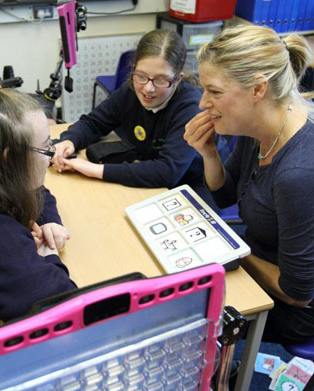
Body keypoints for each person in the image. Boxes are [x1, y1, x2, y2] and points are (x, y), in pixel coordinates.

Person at [184, 24, 314, 345]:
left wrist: (231, 253)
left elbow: (298, 294)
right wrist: (209, 152)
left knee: (183, 317)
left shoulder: (297, 173)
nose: (203, 103)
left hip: (295, 307)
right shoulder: (259, 126)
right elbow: (227, 194)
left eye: (214, 92)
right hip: (258, 257)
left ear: (258, 89)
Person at [0, 83, 77, 348]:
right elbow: (62, 308)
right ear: (9, 159)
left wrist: (49, 220)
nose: (52, 155)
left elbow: (38, 189)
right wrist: (48, 256)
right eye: (45, 149)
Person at [52, 29, 229, 205]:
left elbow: (167, 172)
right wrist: (69, 141)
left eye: (160, 80)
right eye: (141, 76)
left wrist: (94, 170)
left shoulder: (190, 107)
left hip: (195, 182)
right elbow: (93, 123)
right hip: (150, 167)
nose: (147, 89)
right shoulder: (130, 90)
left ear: (177, 79)